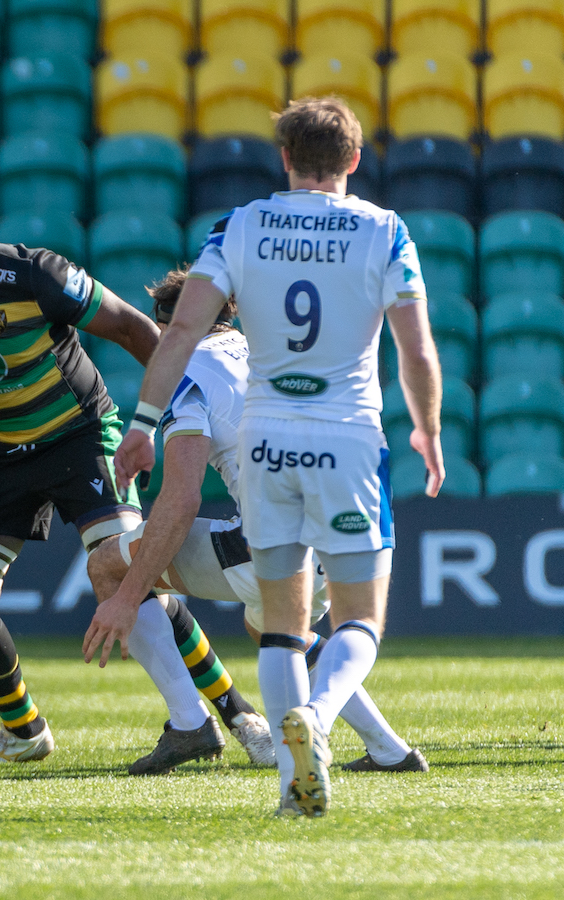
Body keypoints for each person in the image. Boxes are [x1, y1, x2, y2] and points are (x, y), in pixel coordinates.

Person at [112, 97, 444, 817]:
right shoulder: (385, 229)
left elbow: (181, 332)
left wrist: (142, 422)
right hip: (348, 438)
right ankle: (318, 717)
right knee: (358, 621)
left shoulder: (239, 226)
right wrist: (429, 429)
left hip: (268, 443)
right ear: (354, 159)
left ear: (286, 158)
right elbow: (416, 349)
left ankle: (296, 788)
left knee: (281, 627)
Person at [0, 188, 273, 766]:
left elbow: (133, 329)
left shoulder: (34, 274)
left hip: (81, 435)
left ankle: (236, 716)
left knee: (133, 568)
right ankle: (24, 730)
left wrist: (174, 411)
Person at [84, 266, 428, 776]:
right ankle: (388, 750)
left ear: (169, 327)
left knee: (107, 566)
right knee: (268, 626)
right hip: (353, 530)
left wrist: (127, 596)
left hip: (278, 545)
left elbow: (180, 502)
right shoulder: (271, 350)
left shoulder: (185, 374)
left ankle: (189, 723)